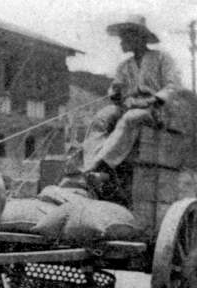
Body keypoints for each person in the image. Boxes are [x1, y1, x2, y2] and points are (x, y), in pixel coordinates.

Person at [63, 15, 182, 201]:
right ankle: (89, 165)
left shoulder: (162, 59)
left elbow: (172, 87)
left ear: (138, 38)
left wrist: (152, 100)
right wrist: (116, 93)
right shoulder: (124, 66)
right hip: (130, 107)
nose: (121, 43)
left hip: (156, 112)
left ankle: (101, 166)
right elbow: (115, 89)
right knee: (102, 116)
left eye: (124, 38)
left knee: (130, 118)